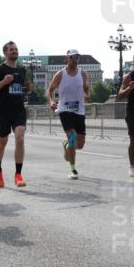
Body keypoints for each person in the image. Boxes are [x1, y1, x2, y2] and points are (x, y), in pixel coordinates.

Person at [0, 41, 29, 188]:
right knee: (2, 142)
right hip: (3, 112)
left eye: (16, 49)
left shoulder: (22, 70)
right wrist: (3, 82)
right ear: (5, 52)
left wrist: (27, 89)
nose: (14, 51)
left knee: (20, 138)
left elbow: (20, 89)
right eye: (11, 50)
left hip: (19, 110)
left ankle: (18, 175)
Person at [47, 50, 91, 180]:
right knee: (72, 137)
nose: (75, 59)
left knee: (80, 144)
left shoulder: (83, 74)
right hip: (64, 110)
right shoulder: (60, 74)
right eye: (73, 57)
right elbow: (50, 90)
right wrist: (51, 101)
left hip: (79, 111)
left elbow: (86, 90)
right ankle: (73, 170)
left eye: (77, 57)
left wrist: (87, 94)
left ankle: (67, 146)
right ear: (67, 58)